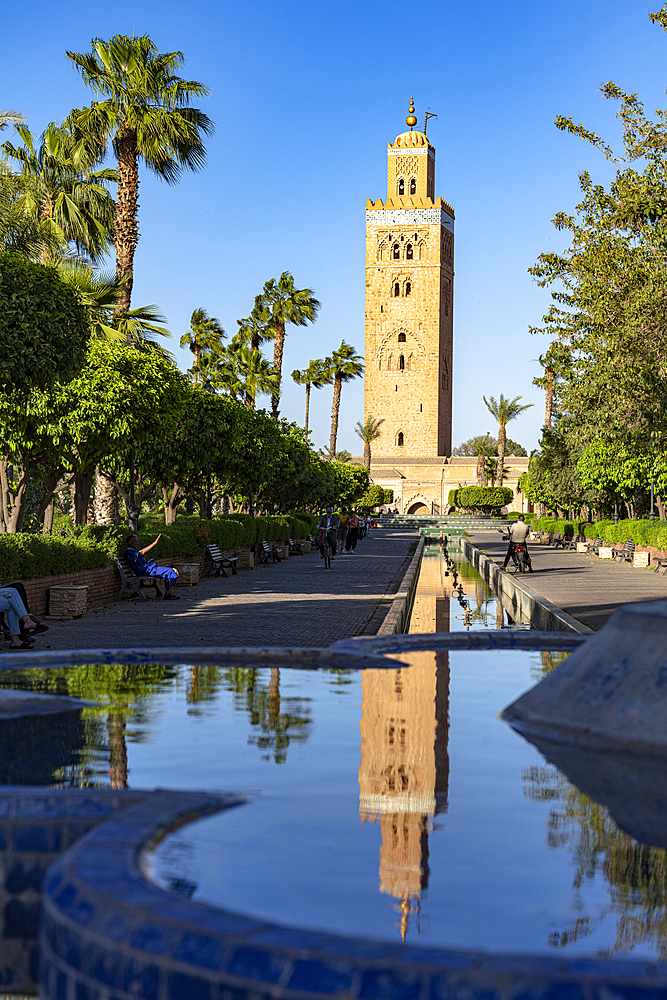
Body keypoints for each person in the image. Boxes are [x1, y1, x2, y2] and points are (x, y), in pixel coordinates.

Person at [124, 534, 180, 599]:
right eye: (135, 542)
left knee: (172, 571)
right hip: (145, 571)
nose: (137, 543)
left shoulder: (133, 551)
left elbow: (139, 562)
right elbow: (142, 552)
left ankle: (169, 593)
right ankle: (168, 594)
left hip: (148, 569)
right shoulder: (129, 552)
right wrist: (154, 543)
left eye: (137, 541)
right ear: (130, 543)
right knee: (170, 571)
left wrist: (148, 562)